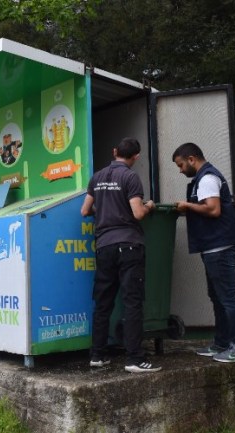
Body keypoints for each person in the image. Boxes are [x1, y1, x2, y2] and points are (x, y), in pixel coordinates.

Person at [80, 137, 159, 373]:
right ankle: (135, 359)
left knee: (103, 303)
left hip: (104, 246)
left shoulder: (97, 177)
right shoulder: (130, 177)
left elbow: (85, 210)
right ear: (136, 157)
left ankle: (97, 355)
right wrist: (150, 206)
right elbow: (138, 213)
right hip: (128, 245)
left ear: (115, 151)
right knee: (132, 302)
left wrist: (104, 210)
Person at [172, 142, 235, 364]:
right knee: (217, 297)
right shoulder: (202, 178)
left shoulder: (207, 178)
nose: (180, 170)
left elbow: (213, 209)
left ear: (191, 159)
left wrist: (187, 206)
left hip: (220, 247)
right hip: (214, 247)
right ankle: (221, 343)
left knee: (229, 298)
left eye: (181, 165)